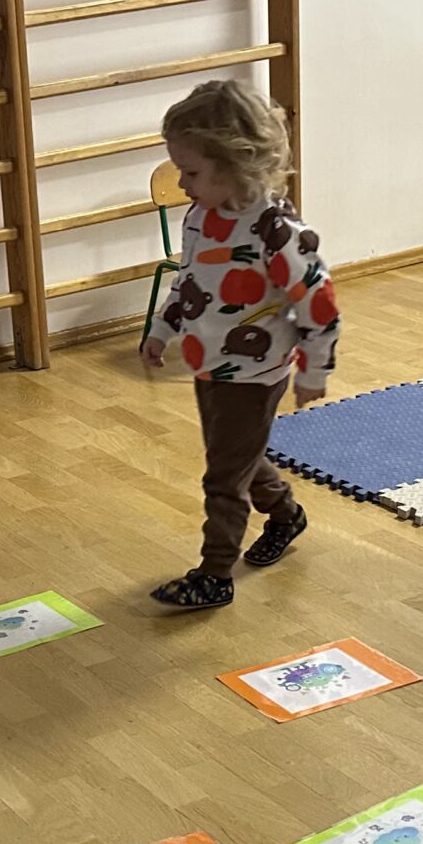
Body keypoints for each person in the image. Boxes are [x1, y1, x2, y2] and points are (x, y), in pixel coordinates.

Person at [142, 78, 339, 610]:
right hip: (207, 362)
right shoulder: (201, 218)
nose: (182, 184)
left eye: (191, 173)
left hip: (256, 370)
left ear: (236, 164)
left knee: (223, 476)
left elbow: (318, 302)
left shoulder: (275, 230)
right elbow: (189, 283)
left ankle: (215, 573)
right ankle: (286, 515)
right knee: (236, 456)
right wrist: (162, 329)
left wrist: (315, 370)